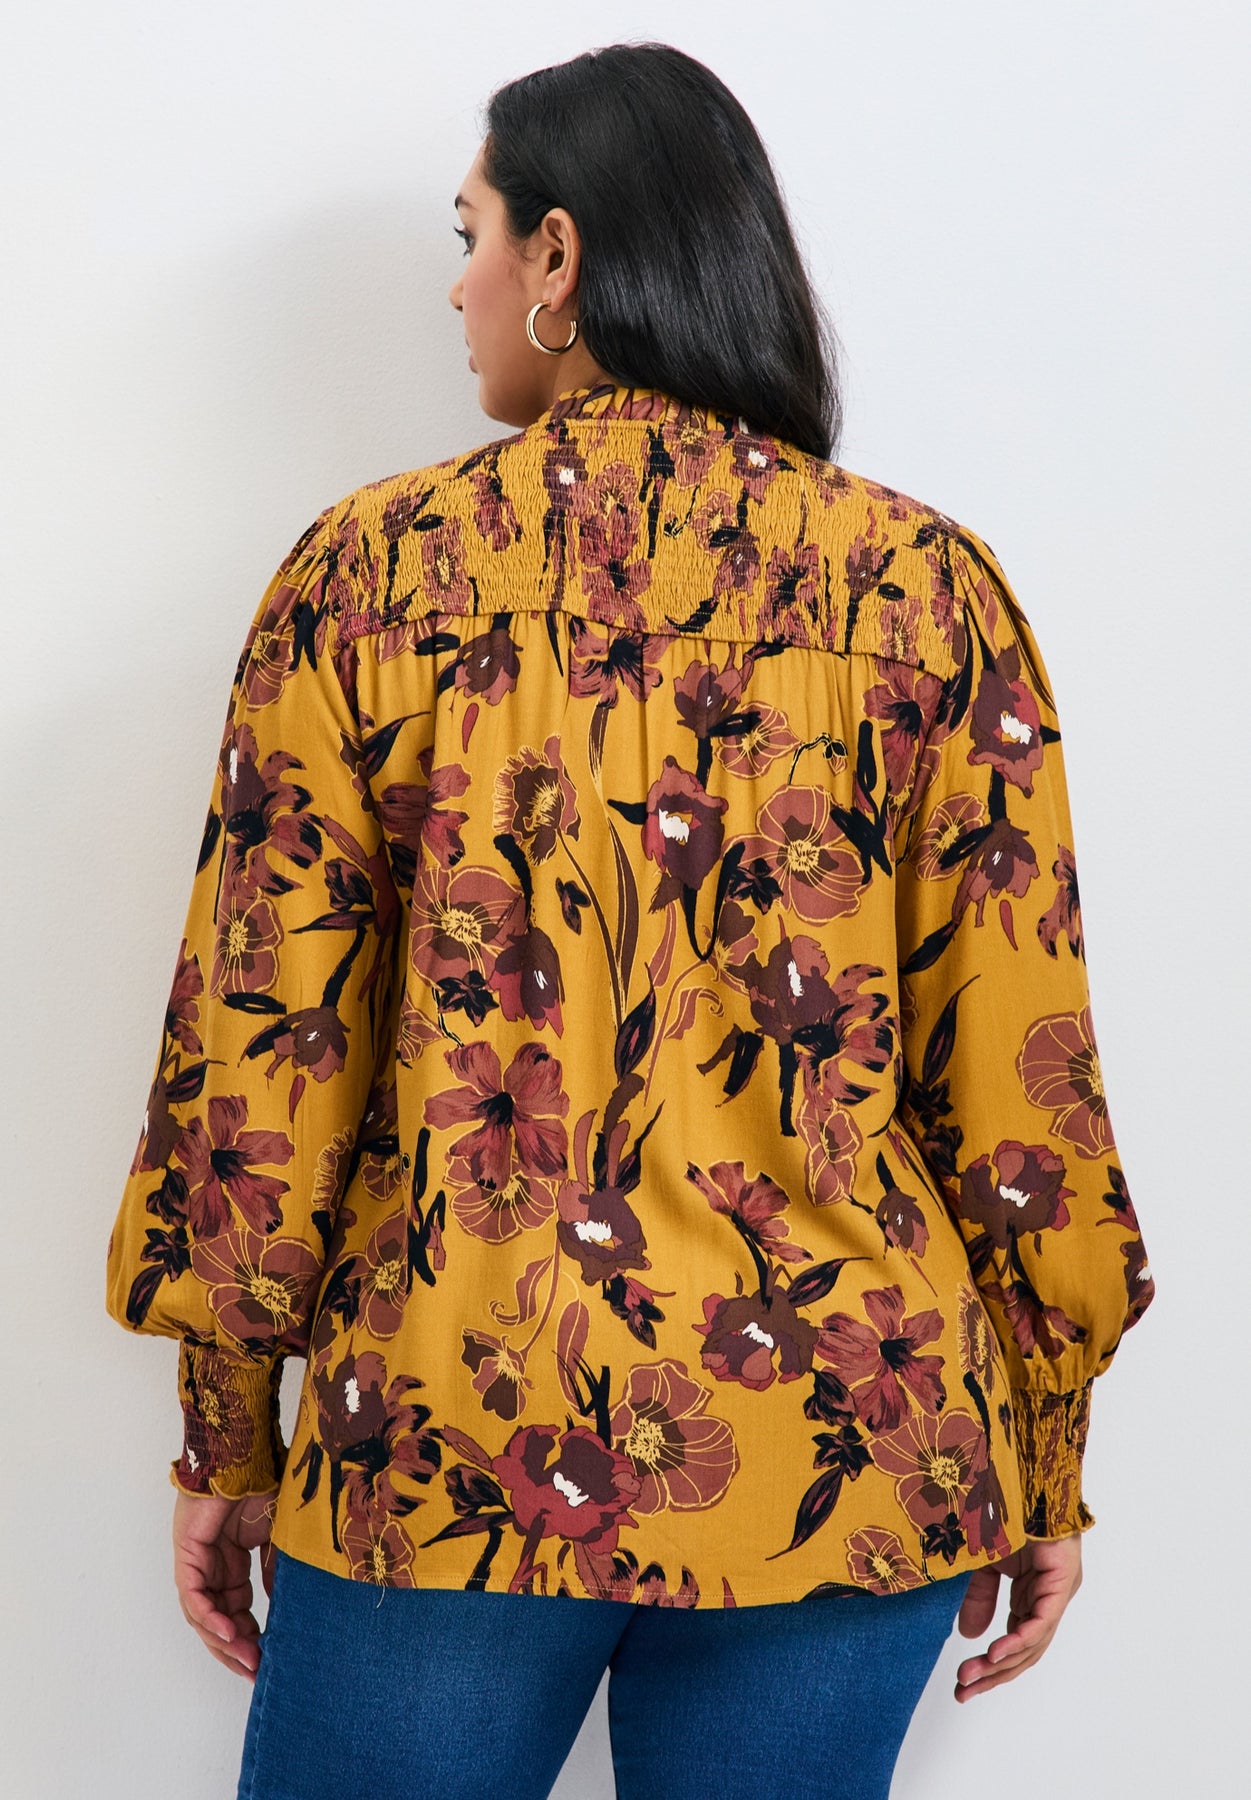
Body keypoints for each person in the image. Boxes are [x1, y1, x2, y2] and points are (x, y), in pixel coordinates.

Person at [103, 40, 1156, 1800]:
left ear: (562, 255)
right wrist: (1045, 1450)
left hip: (446, 1430)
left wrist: (228, 1425)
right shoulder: (929, 593)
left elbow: (261, 1049)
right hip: (850, 1434)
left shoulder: (368, 577)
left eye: (470, 235)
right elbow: (1020, 1070)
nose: (456, 285)